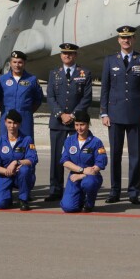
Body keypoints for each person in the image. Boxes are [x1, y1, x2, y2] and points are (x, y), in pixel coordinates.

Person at [100, 26, 140, 205]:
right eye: (123, 38)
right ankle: (115, 191)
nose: (126, 41)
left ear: (134, 39)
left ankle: (133, 192)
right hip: (114, 115)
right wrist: (103, 113)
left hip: (136, 115)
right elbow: (105, 89)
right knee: (115, 155)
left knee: (135, 156)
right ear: (118, 40)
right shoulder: (109, 61)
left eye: (129, 37)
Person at [45, 42, 93, 202]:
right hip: (58, 122)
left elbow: (87, 98)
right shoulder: (54, 73)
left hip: (76, 123)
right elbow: (50, 97)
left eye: (71, 53)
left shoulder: (84, 73)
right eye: (65, 53)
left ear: (75, 55)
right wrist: (61, 114)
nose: (67, 56)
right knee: (56, 157)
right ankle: (55, 190)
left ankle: (78, 189)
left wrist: (72, 116)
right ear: (61, 55)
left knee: (78, 157)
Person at [60, 111, 107, 213]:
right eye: (76, 125)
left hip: (91, 176)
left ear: (88, 124)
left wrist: (83, 175)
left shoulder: (96, 142)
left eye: (82, 125)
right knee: (68, 207)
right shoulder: (69, 141)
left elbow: (101, 163)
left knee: (89, 183)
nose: (79, 128)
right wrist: (81, 170)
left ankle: (89, 203)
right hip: (74, 176)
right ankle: (79, 198)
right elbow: (65, 161)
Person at [0, 109, 38, 211]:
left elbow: (33, 159)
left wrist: (16, 162)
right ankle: (7, 197)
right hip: (5, 175)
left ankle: (23, 199)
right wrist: (7, 171)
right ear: (5, 122)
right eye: (9, 122)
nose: (12, 126)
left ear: (19, 124)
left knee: (25, 170)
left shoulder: (27, 140)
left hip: (20, 175)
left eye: (15, 123)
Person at [0, 51, 43, 139]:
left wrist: (27, 111)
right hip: (7, 117)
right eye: (14, 62)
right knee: (5, 143)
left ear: (24, 63)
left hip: (25, 117)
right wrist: (5, 110)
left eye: (20, 62)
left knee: (26, 143)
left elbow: (38, 99)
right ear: (10, 63)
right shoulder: (3, 79)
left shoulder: (32, 79)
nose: (17, 65)